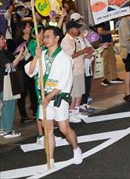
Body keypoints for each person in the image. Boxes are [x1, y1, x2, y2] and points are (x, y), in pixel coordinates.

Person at [24, 26, 82, 167]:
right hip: (44, 99)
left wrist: (49, 97)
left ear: (57, 38)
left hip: (57, 98)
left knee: (64, 129)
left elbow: (64, 83)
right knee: (47, 129)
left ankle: (76, 148)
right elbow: (31, 71)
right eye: (44, 36)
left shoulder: (65, 57)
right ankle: (50, 160)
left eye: (49, 36)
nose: (45, 39)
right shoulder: (42, 54)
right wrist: (36, 56)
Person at [60, 21, 93, 124]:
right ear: (70, 30)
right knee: (74, 93)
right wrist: (83, 52)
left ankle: (76, 111)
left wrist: (86, 55)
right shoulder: (65, 41)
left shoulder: (75, 39)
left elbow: (79, 53)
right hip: (72, 70)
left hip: (79, 68)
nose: (78, 30)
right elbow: (70, 55)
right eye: (76, 28)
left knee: (79, 92)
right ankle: (70, 113)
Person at [12, 21, 39, 124]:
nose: (30, 28)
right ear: (22, 29)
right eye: (28, 27)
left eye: (30, 26)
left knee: (33, 92)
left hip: (32, 69)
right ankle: (23, 116)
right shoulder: (18, 41)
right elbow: (15, 55)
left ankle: (36, 112)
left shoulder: (33, 40)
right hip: (21, 70)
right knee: (22, 94)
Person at [0, 32, 24, 138]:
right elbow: (10, 66)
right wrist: (19, 55)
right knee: (9, 105)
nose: (4, 41)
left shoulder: (3, 52)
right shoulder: (0, 53)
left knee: (4, 106)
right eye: (2, 39)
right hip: (5, 84)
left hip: (2, 84)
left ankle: (2, 129)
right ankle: (8, 131)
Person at [96, 21, 124, 87]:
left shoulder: (106, 20)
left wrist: (112, 42)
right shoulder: (100, 21)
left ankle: (113, 77)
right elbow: (100, 31)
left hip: (109, 43)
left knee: (112, 60)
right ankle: (104, 79)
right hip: (102, 43)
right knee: (104, 62)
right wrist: (111, 32)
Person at [118, 15, 130, 101]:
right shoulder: (124, 21)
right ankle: (128, 92)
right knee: (129, 72)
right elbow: (127, 36)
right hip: (127, 50)